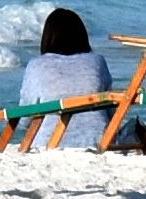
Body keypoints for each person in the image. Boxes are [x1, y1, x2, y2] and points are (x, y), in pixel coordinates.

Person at [15, 9, 114, 148]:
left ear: (48, 37)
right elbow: (111, 111)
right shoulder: (98, 61)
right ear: (82, 36)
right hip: (99, 141)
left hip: (48, 143)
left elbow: (25, 118)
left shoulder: (37, 65)